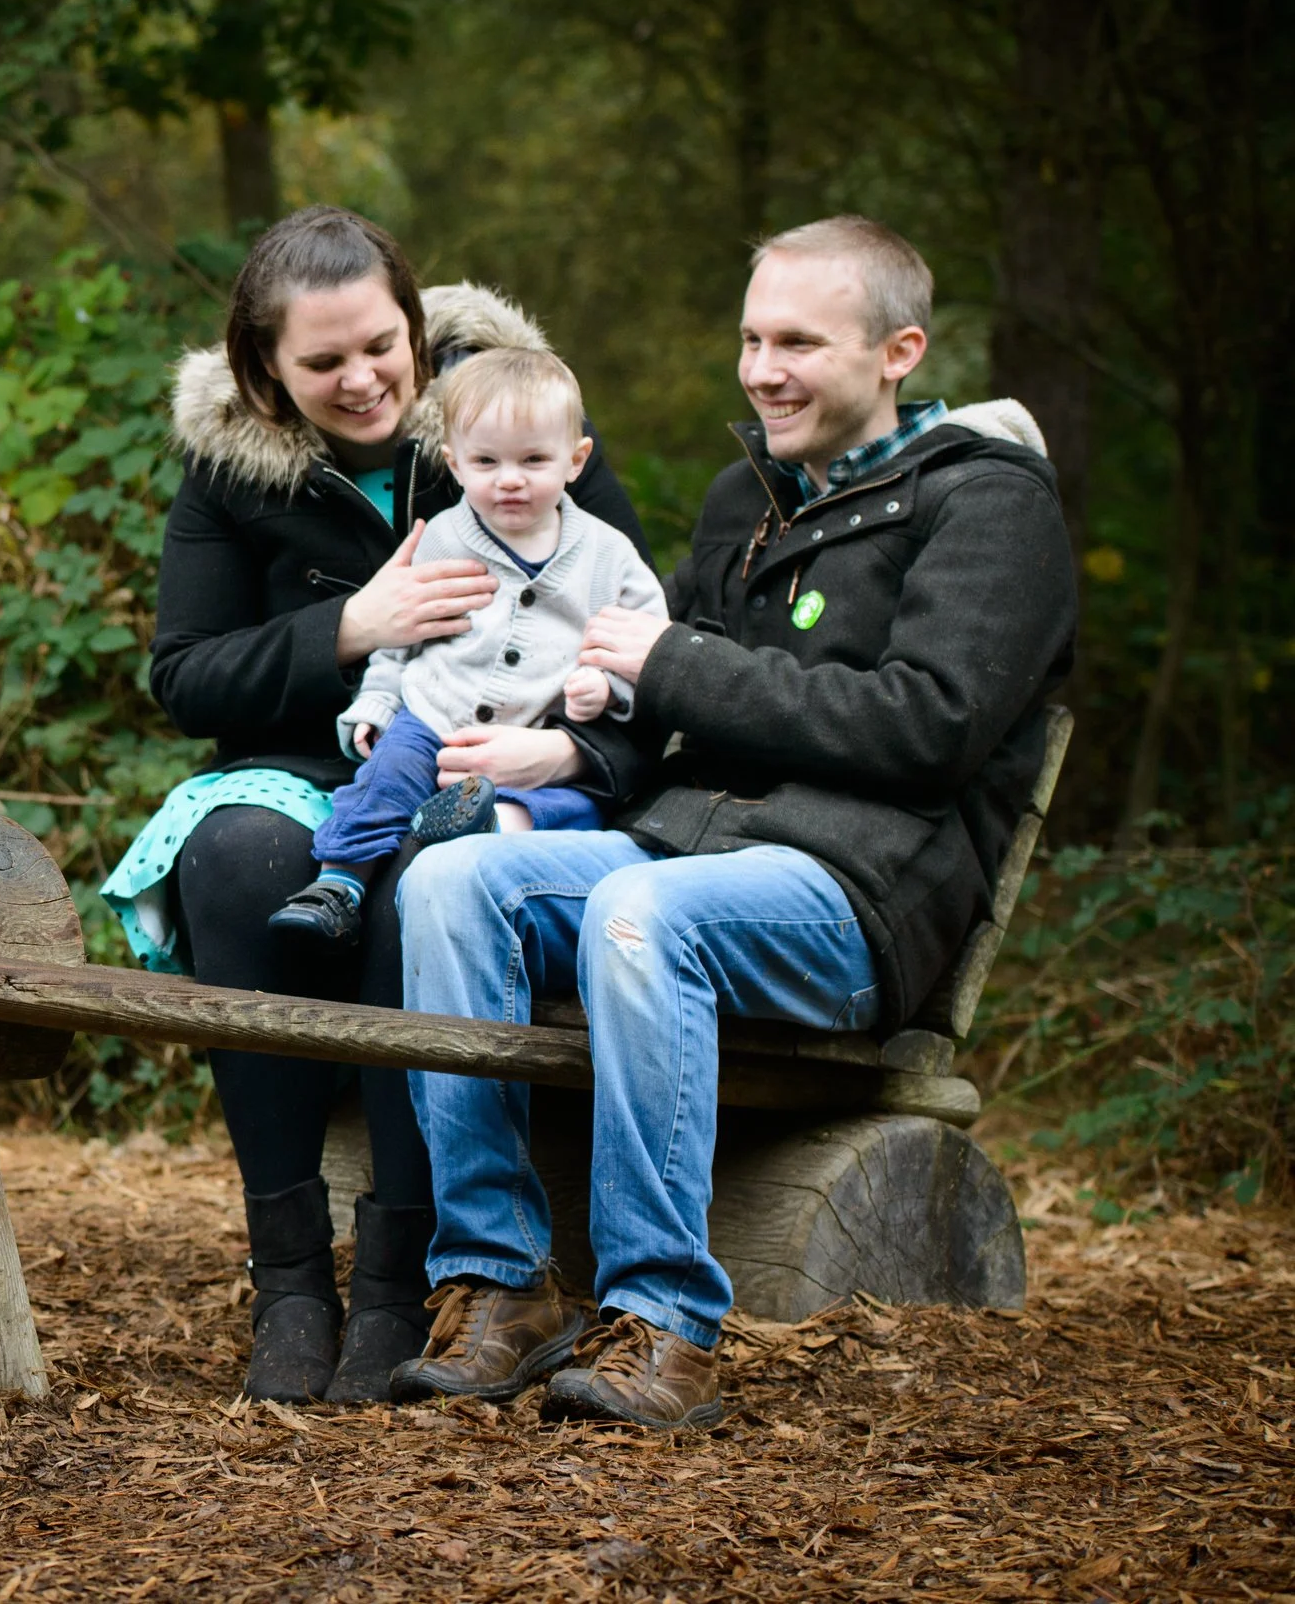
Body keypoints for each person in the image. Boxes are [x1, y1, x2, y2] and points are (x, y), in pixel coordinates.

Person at [386, 215, 1077, 1429]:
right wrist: (571, 744)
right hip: (687, 843)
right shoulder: (745, 497)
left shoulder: (989, 506)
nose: (762, 369)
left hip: (861, 887)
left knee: (640, 910)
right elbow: (650, 712)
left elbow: (931, 727)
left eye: (799, 341)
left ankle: (661, 1321)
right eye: (752, 337)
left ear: (898, 350)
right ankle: (497, 1284)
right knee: (450, 883)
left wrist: (677, 668)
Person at [103, 206, 657, 1405]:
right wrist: (357, 627)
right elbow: (184, 672)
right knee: (237, 856)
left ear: (415, 328)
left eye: (381, 349)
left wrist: (563, 753)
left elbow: (636, 636)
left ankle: (402, 1277)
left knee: (428, 879)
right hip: (303, 767)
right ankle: (291, 1277)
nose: (360, 381)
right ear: (264, 372)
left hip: (480, 766)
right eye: (321, 362)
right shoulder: (229, 472)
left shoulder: (513, 424)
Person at [268, 348, 666, 945]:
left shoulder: (609, 556)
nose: (509, 479)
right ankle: (338, 883)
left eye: (534, 459)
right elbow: (399, 642)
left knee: (575, 809)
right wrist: (376, 705)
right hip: (430, 715)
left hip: (534, 734)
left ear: (576, 460)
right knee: (384, 779)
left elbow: (650, 645)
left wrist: (610, 687)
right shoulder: (443, 539)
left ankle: (482, 826)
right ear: (454, 464)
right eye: (486, 461)